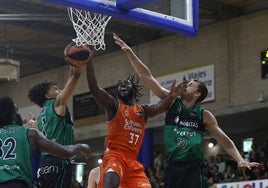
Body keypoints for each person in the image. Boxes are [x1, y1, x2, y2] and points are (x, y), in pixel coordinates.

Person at [113, 33, 260, 188]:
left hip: (193, 169)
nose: (187, 83)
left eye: (191, 84)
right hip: (172, 168)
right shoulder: (170, 102)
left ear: (197, 94)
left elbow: (224, 140)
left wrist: (240, 159)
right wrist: (129, 51)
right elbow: (145, 76)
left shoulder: (204, 115)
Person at [86, 44, 182, 188]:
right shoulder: (113, 106)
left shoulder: (142, 111)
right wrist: (89, 61)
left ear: (133, 90)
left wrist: (171, 97)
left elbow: (158, 108)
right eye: (120, 86)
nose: (123, 87)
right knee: (110, 182)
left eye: (126, 85)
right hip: (115, 157)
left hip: (133, 162)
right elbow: (94, 89)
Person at [0, 96, 91, 188]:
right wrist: (80, 146)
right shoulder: (29, 133)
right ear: (12, 114)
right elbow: (65, 152)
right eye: (17, 111)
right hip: (19, 184)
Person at [27, 65, 89, 188]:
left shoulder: (40, 117)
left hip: (43, 165)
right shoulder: (58, 104)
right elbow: (74, 76)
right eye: (55, 89)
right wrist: (75, 62)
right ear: (47, 95)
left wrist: (32, 123)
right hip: (59, 161)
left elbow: (36, 129)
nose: (60, 90)